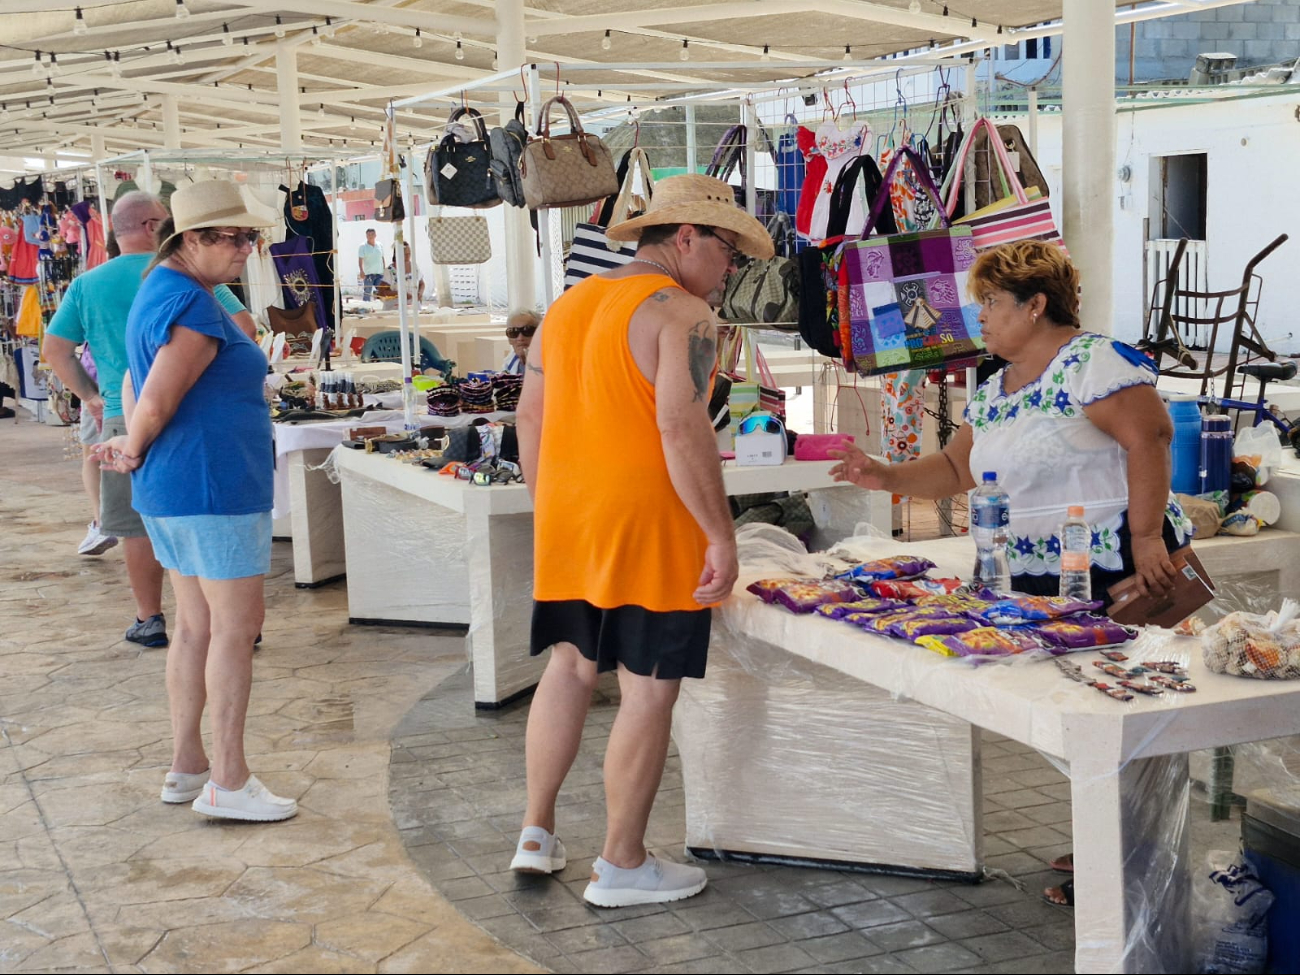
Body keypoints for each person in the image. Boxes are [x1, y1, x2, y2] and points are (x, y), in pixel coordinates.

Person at [828, 239, 1193, 908]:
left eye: (992, 303)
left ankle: (1134, 863)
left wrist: (1146, 537)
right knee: (1076, 712)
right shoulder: (995, 388)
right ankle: (1108, 839)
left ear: (1036, 304)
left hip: (1112, 565)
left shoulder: (1093, 362)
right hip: (1034, 575)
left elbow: (1152, 435)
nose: (982, 319)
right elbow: (957, 470)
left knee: (1128, 710)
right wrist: (885, 475)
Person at [512, 174, 773, 907]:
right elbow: (680, 425)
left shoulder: (567, 307)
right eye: (728, 251)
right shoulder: (683, 312)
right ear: (686, 237)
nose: (730, 270)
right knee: (648, 688)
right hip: (651, 520)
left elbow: (528, 418)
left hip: (571, 516)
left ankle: (536, 830)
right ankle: (621, 861)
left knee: (569, 666)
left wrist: (552, 502)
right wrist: (721, 534)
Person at [94, 180, 295, 823]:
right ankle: (229, 780)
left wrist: (136, 444)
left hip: (176, 487)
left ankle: (188, 766)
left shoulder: (162, 290)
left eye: (249, 236)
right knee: (234, 631)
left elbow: (131, 379)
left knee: (195, 627)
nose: (245, 249)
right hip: (212, 486)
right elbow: (154, 395)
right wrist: (133, 441)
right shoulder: (193, 306)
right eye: (234, 238)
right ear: (193, 241)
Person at [44, 191, 256, 647]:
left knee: (138, 528)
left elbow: (54, 349)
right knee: (218, 603)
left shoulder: (92, 283)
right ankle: (223, 621)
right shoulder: (196, 282)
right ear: (152, 228)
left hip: (125, 413)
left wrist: (90, 396)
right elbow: (245, 327)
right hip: (182, 422)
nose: (242, 247)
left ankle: (148, 615)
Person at [502, 310, 538, 375]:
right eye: (513, 332)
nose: (520, 338)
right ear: (509, 339)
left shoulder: (552, 362)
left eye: (527, 331)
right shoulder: (510, 361)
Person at [358, 227, 384, 301]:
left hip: (379, 273)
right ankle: (366, 308)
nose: (370, 236)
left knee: (382, 291)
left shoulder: (380, 245)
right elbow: (360, 259)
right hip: (368, 274)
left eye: (372, 234)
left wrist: (384, 269)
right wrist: (361, 271)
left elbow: (382, 258)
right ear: (366, 236)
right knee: (367, 293)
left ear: (375, 235)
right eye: (368, 235)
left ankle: (381, 307)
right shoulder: (363, 246)